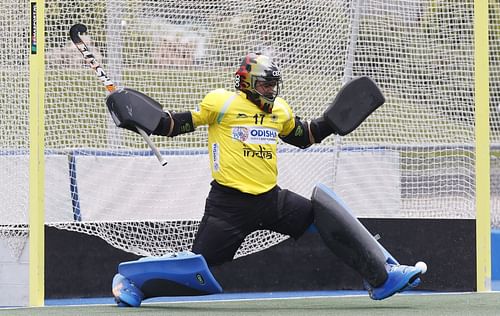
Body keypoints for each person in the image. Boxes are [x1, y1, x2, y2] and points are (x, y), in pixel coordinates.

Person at [111, 52, 423, 306]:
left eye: (274, 85)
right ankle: (133, 281)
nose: (271, 91)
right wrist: (140, 118)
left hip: (272, 200)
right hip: (228, 206)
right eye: (265, 85)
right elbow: (173, 125)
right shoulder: (222, 103)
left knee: (327, 213)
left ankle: (383, 275)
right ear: (246, 83)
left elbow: (305, 135)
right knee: (196, 271)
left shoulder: (280, 111)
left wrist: (331, 122)